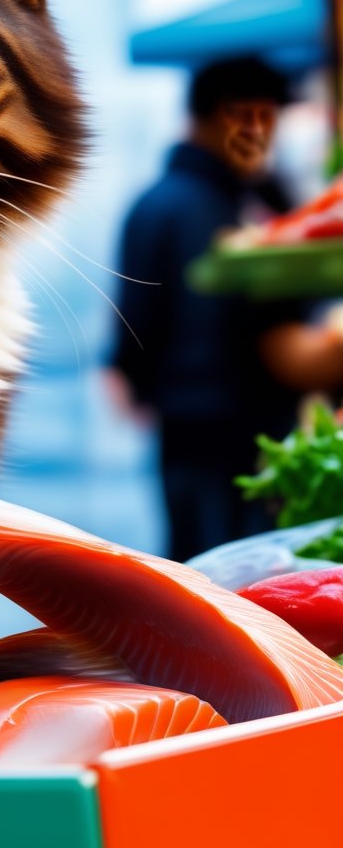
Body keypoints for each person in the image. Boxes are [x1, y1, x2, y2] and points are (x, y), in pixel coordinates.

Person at [110, 56, 343, 562]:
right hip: (232, 421)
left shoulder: (159, 201)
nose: (267, 136)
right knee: (235, 560)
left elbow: (133, 324)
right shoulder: (218, 205)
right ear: (230, 116)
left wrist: (136, 377)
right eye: (263, 118)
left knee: (202, 556)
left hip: (187, 420)